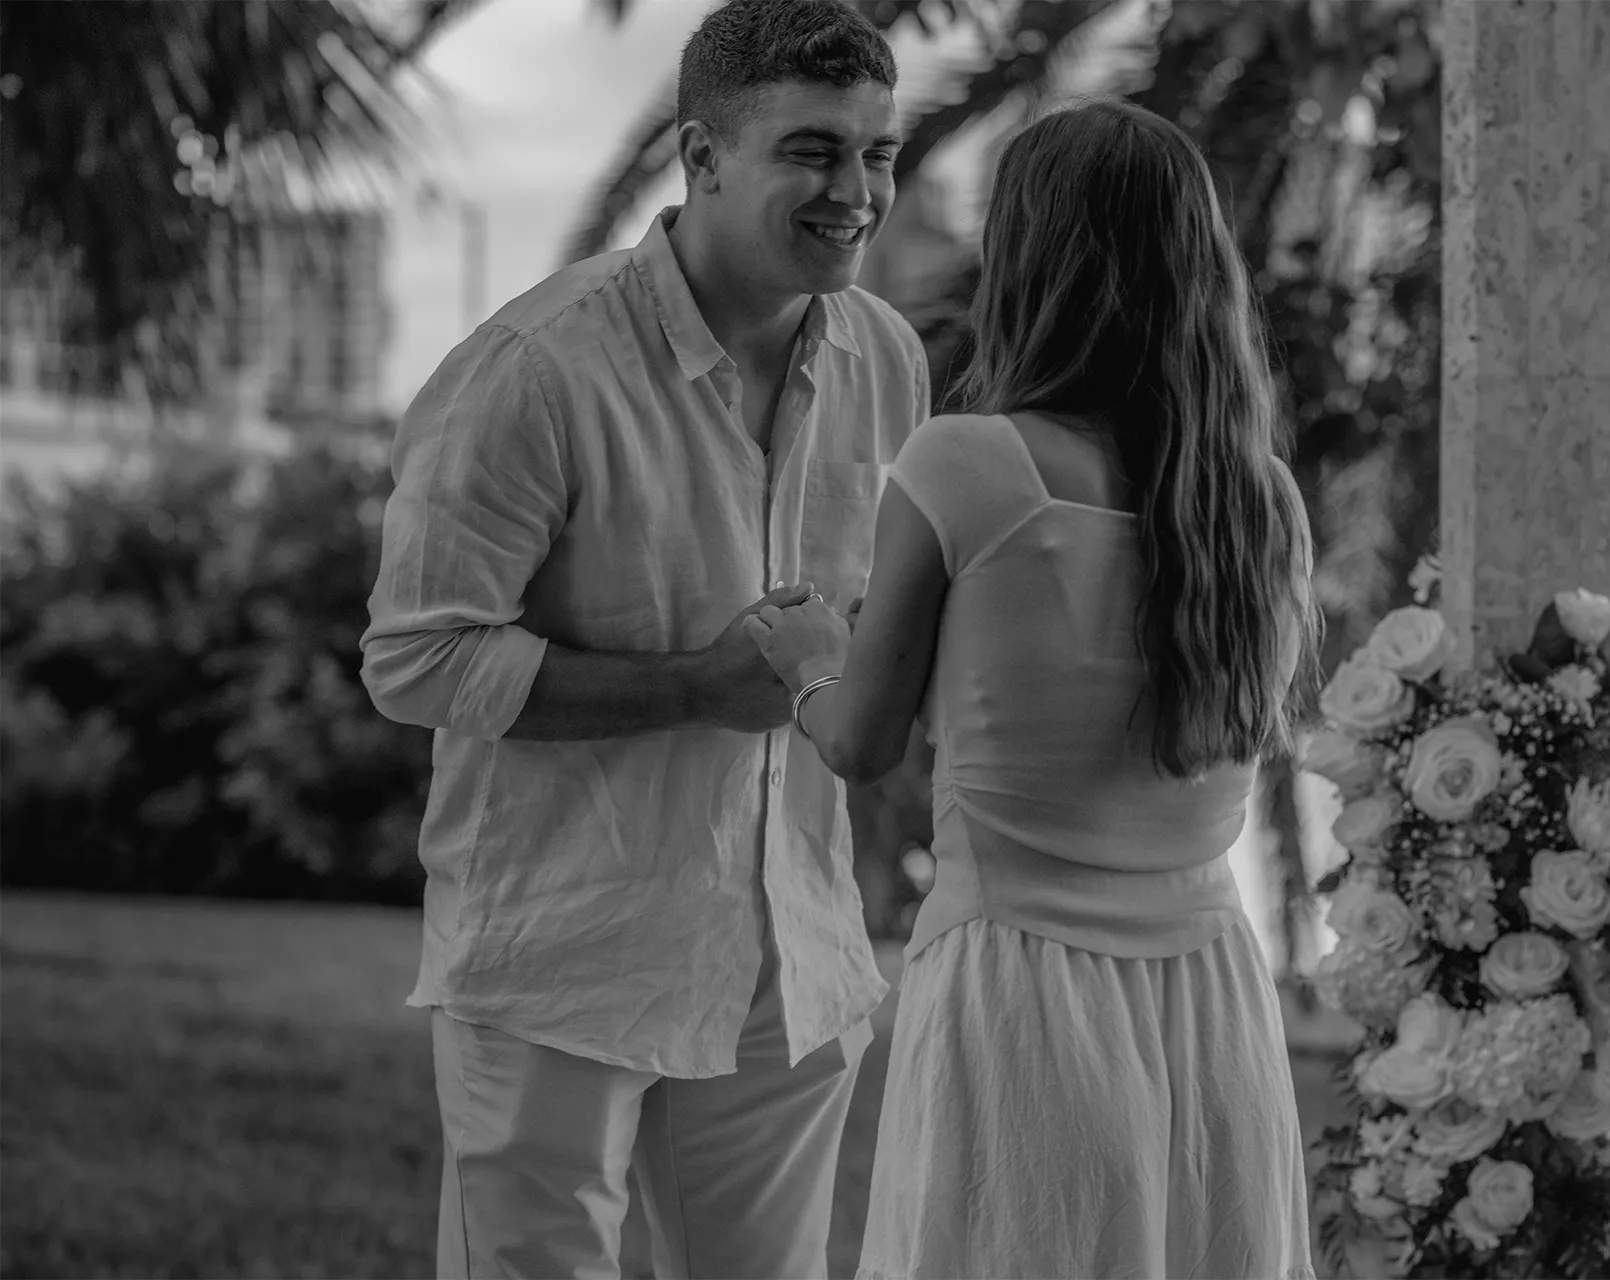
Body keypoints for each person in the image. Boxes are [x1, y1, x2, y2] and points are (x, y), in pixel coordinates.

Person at [358, 1, 929, 1275]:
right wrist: (695, 687)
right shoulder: (534, 369)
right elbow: (415, 659)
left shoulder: (889, 359)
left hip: (797, 953)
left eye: (877, 152)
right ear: (703, 154)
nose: (856, 190)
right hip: (565, 951)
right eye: (813, 150)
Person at [745, 99, 1323, 1279]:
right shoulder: (1259, 499)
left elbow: (860, 738)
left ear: (1031, 257)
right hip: (1211, 999)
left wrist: (808, 653)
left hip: (1020, 993)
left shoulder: (965, 462)